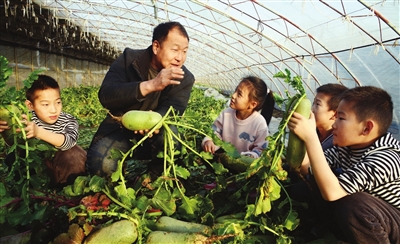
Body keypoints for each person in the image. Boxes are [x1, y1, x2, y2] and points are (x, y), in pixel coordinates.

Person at [288, 86, 400, 243]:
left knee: (353, 204)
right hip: (371, 222)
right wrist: (299, 136)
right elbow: (308, 169)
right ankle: (330, 235)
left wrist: (311, 137)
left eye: (341, 118)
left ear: (366, 128)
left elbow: (333, 193)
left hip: (394, 225)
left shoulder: (386, 158)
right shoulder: (346, 148)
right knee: (309, 184)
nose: (334, 124)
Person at [86, 21, 195, 177]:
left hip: (156, 135)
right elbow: (106, 95)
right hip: (120, 130)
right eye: (175, 50)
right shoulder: (129, 60)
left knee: (171, 139)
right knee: (102, 163)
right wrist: (151, 85)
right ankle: (116, 179)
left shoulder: (185, 78)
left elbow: (174, 110)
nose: (180, 57)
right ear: (156, 47)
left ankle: (154, 179)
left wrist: (153, 122)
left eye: (184, 51)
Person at [19, 75, 86, 186]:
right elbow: (15, 145)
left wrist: (39, 132)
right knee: (20, 153)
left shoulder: (68, 120)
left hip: (63, 169)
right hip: (38, 171)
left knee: (74, 153)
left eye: (58, 102)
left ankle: (68, 189)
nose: (54, 110)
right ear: (30, 105)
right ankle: (32, 192)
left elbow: (68, 142)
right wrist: (5, 132)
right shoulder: (27, 119)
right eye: (46, 104)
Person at [202, 76, 275, 158]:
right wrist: (209, 141)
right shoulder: (226, 114)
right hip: (222, 159)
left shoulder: (259, 123)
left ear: (252, 104)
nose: (233, 95)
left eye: (239, 94)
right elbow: (215, 132)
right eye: (235, 90)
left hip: (244, 167)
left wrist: (250, 157)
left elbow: (260, 149)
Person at [298, 83, 348, 175]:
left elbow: (306, 172)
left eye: (318, 104)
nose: (312, 109)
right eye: (313, 103)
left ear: (335, 114)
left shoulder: (336, 143)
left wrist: (308, 135)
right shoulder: (316, 130)